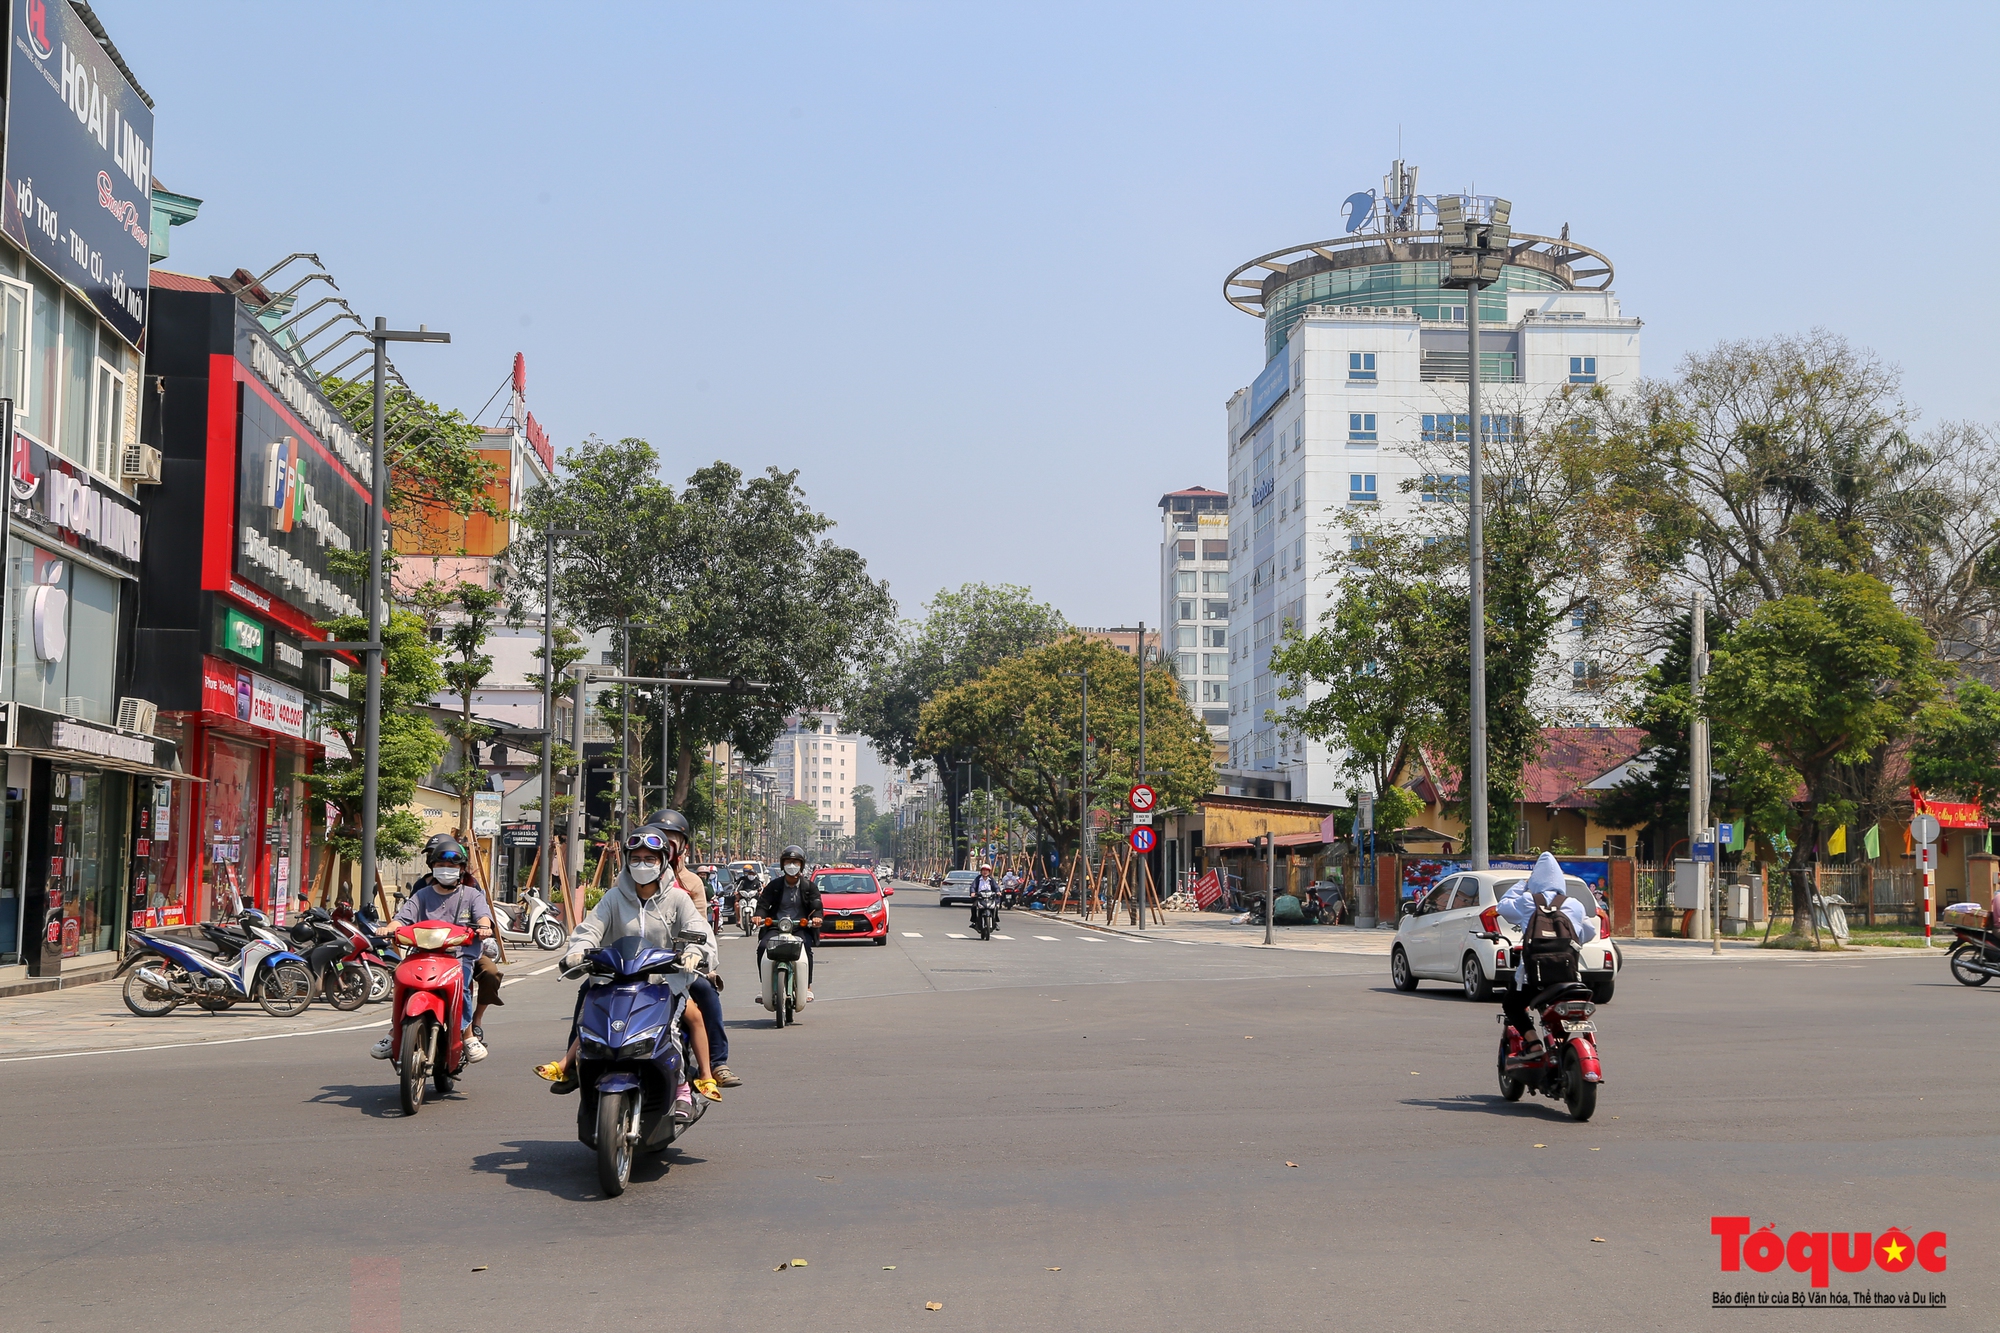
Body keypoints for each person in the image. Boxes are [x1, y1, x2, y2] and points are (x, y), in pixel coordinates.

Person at [533, 823, 723, 1108]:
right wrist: (577, 951)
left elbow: (699, 929)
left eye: (650, 859)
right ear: (626, 861)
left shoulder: (678, 898)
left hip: (664, 979)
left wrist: (695, 951)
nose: (642, 864)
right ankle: (570, 1065)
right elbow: (589, 930)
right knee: (589, 1008)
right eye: (635, 858)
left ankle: (690, 1082)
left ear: (662, 862)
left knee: (680, 1020)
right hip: (617, 977)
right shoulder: (613, 897)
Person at [370, 837, 494, 1063]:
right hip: (423, 955)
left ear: (461, 869)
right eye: (440, 865)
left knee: (463, 983)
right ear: (432, 867)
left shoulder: (472, 894)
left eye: (452, 866)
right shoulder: (422, 894)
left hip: (458, 957)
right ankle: (394, 1032)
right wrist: (388, 929)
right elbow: (402, 919)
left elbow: (483, 916)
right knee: (401, 980)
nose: (446, 870)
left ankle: (467, 1035)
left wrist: (484, 927)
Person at [1496, 852, 1600, 1065]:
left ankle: (1534, 1044)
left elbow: (1502, 906)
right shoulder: (1575, 904)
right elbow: (1588, 933)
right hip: (1569, 979)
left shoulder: (1527, 901)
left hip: (1535, 979)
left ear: (1535, 881)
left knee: (1512, 1005)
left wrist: (1522, 884)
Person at [755, 845, 821, 1006]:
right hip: (776, 927)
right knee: (763, 947)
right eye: (788, 862)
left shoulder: (809, 887)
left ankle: (808, 987)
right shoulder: (775, 885)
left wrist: (818, 917)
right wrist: (759, 915)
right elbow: (763, 903)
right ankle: (765, 987)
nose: (792, 865)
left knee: (806, 948)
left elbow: (817, 905)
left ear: (801, 865)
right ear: (783, 864)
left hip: (800, 928)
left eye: (795, 862)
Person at [966, 862, 1001, 931]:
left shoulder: (991, 880)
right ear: (981, 871)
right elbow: (973, 886)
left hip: (990, 898)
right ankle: (974, 922)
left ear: (989, 872)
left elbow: (996, 887)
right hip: (980, 898)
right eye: (983, 870)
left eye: (986, 870)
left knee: (995, 907)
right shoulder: (977, 879)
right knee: (973, 907)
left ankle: (995, 922)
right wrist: (973, 892)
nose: (985, 872)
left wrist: (998, 892)